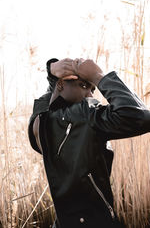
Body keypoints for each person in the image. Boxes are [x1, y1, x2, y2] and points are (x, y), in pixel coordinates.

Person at [28, 58, 150, 228]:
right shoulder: (86, 116)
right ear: (62, 85)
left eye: (93, 89)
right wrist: (98, 76)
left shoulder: (41, 122)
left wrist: (51, 69)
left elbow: (49, 99)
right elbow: (140, 117)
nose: (91, 95)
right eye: (84, 86)